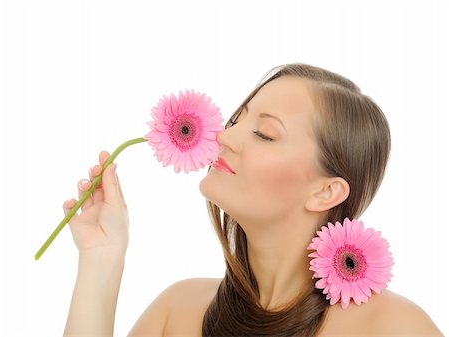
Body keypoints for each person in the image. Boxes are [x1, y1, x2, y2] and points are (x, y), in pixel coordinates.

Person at [62, 64, 443, 337]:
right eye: (236, 121)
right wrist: (101, 259)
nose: (224, 138)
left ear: (326, 191)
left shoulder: (395, 327)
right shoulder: (176, 310)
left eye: (264, 133)